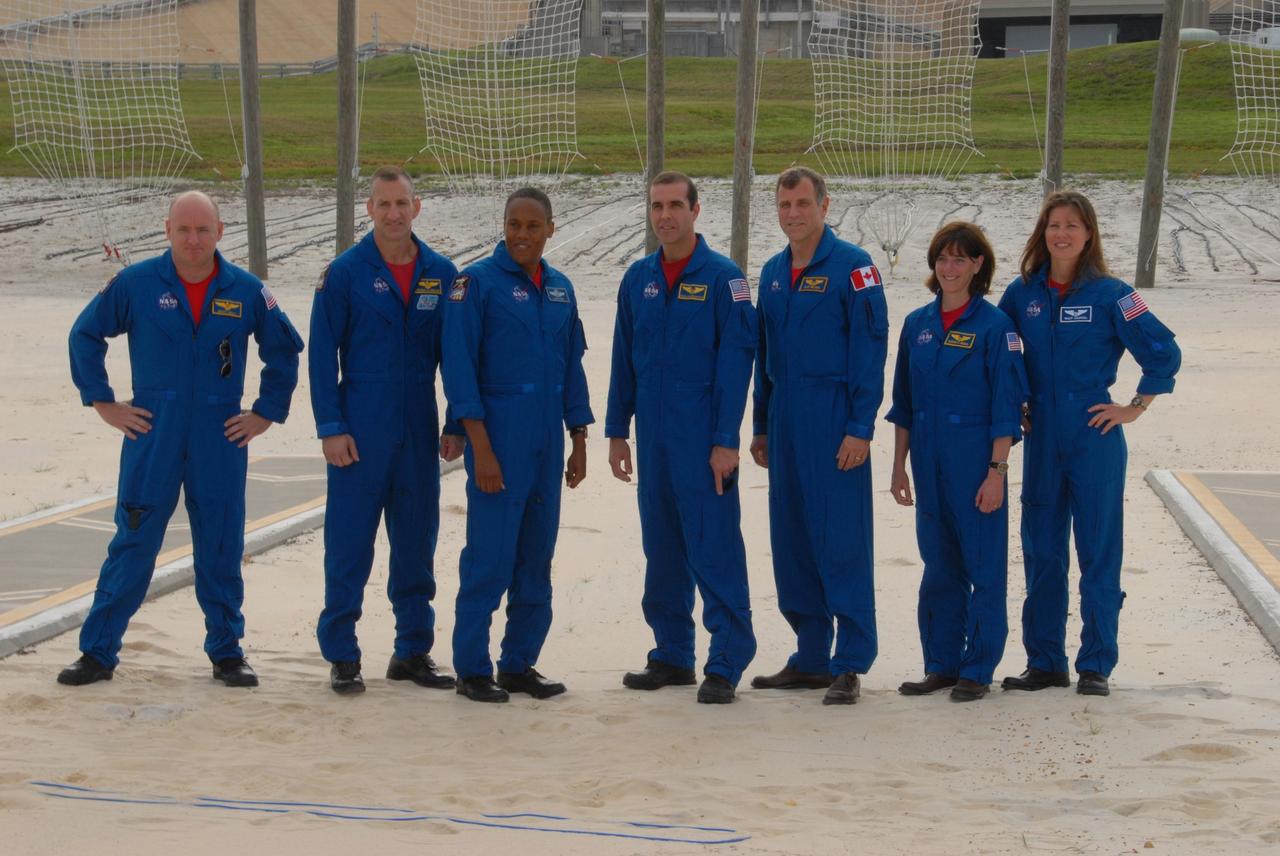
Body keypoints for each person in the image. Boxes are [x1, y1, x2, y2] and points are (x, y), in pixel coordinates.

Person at [61, 190, 304, 687]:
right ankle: (98, 653)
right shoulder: (136, 284)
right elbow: (85, 335)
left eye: (203, 230)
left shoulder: (246, 289)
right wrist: (103, 402)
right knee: (134, 538)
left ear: (220, 231)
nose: (193, 240)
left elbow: (284, 349)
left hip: (220, 434)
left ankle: (227, 652)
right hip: (153, 429)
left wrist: (265, 413)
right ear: (167, 230)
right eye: (184, 229)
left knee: (219, 540)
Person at [998, 190, 1181, 697]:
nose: (1062, 234)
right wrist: (1016, 408)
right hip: (1041, 440)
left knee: (1098, 549)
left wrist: (1135, 406)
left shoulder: (1113, 293)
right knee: (1042, 550)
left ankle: (1096, 663)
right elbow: (1002, 358)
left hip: (1094, 435)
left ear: (1089, 234)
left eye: (1072, 226)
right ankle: (1046, 662)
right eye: (1054, 225)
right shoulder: (1022, 294)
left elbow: (1163, 351)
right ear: (1042, 233)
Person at [606, 171, 757, 705]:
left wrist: (725, 440)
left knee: (713, 546)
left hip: (703, 438)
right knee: (662, 547)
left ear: (696, 210)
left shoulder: (723, 279)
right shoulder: (638, 279)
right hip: (652, 436)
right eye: (656, 206)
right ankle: (672, 654)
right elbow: (624, 359)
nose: (665, 215)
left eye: (675, 205)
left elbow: (737, 366)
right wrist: (616, 430)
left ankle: (727, 658)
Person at [310, 166, 462, 695]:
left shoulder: (441, 273)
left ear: (416, 207)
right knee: (349, 545)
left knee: (416, 542)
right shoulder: (346, 273)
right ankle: (343, 656)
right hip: (360, 428)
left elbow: (457, 356)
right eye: (383, 204)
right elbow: (321, 356)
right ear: (369, 210)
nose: (394, 214)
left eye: (402, 203)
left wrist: (456, 423)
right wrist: (331, 427)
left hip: (418, 426)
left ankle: (412, 651)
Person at [442, 187, 592, 703]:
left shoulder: (561, 291)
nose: (522, 235)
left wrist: (579, 439)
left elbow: (572, 368)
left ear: (551, 228)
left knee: (535, 558)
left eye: (532, 226)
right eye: (513, 225)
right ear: (503, 227)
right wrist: (480, 448)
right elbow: (460, 372)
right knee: (489, 556)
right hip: (498, 436)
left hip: (547, 441)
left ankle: (519, 663)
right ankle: (471, 668)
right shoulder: (475, 285)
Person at [748, 167, 889, 706]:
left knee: (841, 539)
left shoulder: (855, 268)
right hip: (785, 417)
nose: (793, 214)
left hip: (834, 416)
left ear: (825, 206)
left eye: (803, 203)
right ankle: (810, 656)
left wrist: (860, 427)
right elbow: (765, 357)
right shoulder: (772, 272)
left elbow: (870, 352)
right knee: (793, 539)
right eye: (784, 205)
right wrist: (761, 424)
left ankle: (850, 661)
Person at [886, 222, 1027, 702]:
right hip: (927, 461)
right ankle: (941, 664)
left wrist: (997, 473)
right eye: (943, 259)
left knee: (983, 565)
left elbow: (1007, 409)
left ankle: (978, 666)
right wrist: (898, 466)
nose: (950, 268)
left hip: (976, 462)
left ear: (978, 266)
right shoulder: (916, 326)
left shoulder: (995, 328)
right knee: (939, 565)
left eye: (961, 259)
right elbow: (903, 404)